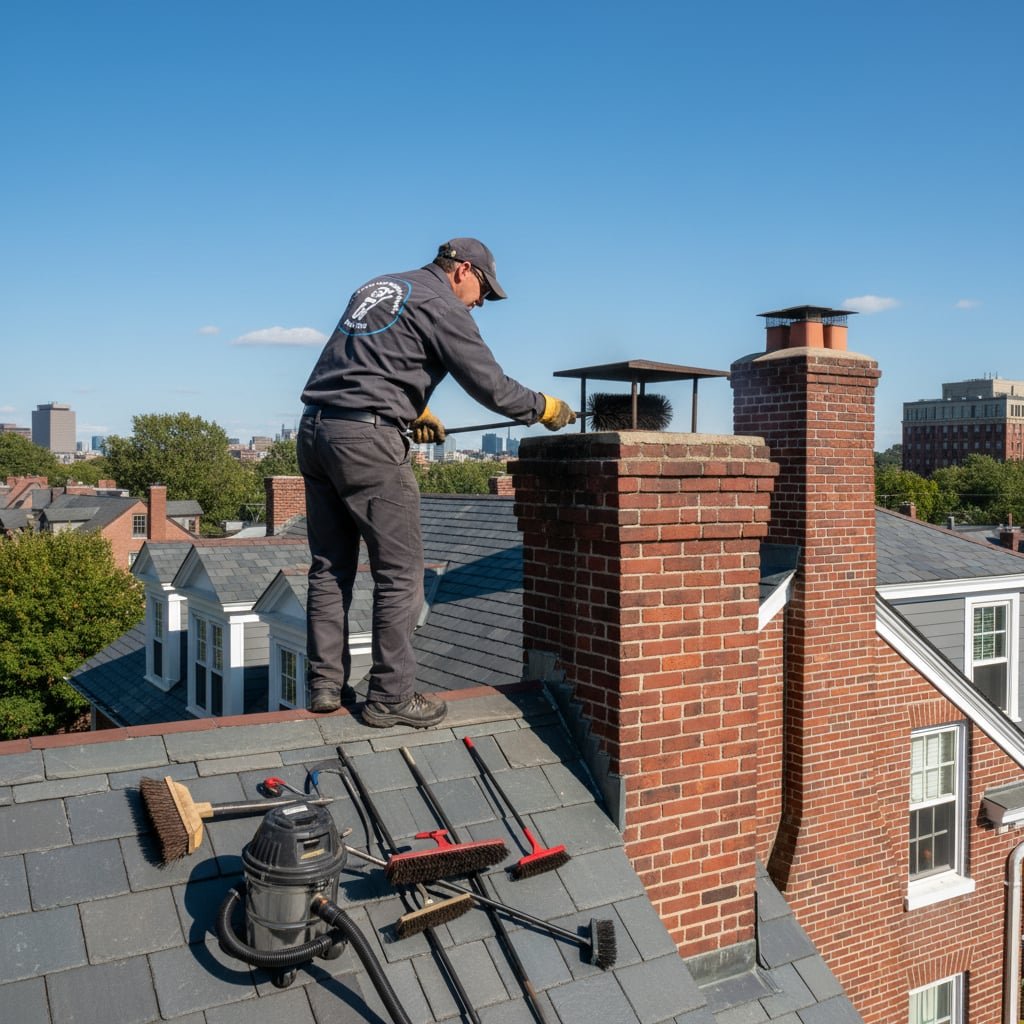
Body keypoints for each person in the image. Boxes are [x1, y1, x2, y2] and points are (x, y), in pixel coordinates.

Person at [297, 238, 576, 728]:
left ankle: (324, 685)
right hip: (367, 442)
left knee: (329, 567)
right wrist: (544, 408)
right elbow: (489, 385)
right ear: (463, 270)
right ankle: (390, 696)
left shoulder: (380, 285)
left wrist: (415, 407)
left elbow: (364, 360)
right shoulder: (443, 304)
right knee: (402, 572)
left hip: (318, 429)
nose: (481, 302)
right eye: (483, 291)